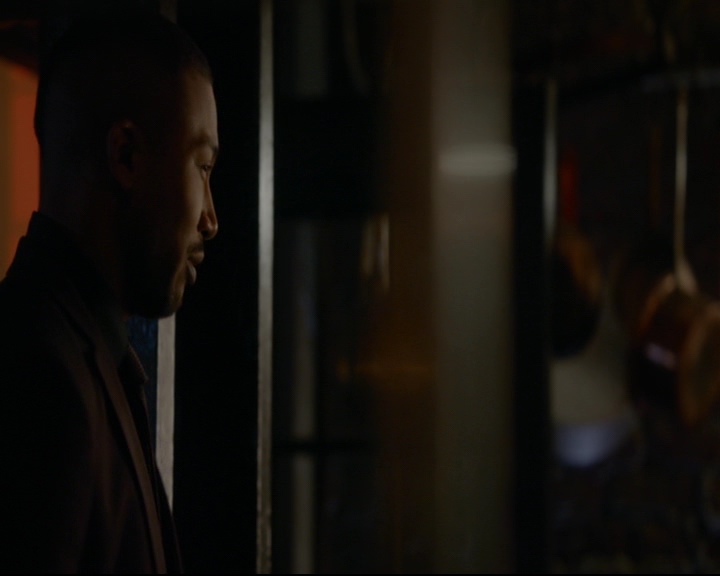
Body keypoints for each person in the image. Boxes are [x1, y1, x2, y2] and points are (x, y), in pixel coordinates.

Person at [0, 7, 218, 573]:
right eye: (202, 166)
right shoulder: (40, 371)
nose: (210, 219)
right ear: (125, 155)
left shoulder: (78, 352)